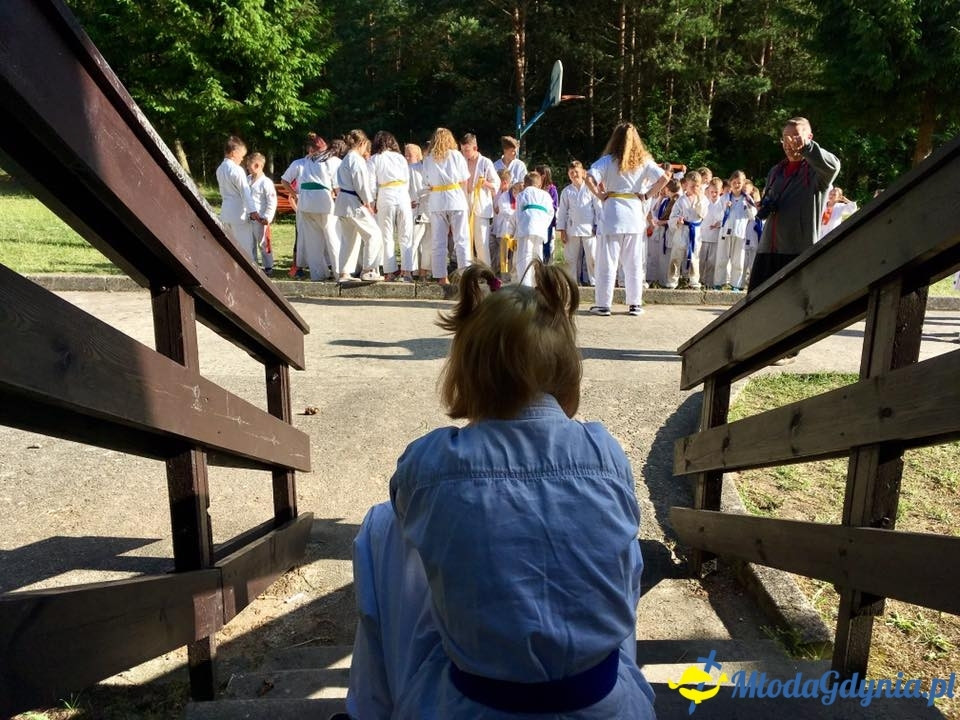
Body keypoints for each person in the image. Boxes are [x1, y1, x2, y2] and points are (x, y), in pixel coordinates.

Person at [345, 262, 657, 720]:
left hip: (469, 705)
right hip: (608, 703)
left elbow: (404, 508)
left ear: (466, 372)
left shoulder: (431, 462)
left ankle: (367, 710)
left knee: (385, 526)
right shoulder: (605, 453)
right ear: (567, 368)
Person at [585, 122, 668, 316]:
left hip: (613, 212)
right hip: (634, 213)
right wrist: (646, 195)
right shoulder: (644, 161)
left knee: (607, 261)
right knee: (633, 262)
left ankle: (604, 304)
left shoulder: (607, 161)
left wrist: (600, 195)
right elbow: (664, 178)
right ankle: (635, 304)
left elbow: (589, 178)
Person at [750, 117, 840, 291]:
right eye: (785, 137)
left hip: (796, 251)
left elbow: (834, 166)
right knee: (757, 307)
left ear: (810, 137)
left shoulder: (817, 173)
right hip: (767, 249)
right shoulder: (776, 171)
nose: (789, 142)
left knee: (792, 309)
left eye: (796, 136)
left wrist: (806, 147)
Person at [285, 133, 340, 281]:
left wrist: (295, 194)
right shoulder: (332, 161)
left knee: (313, 241)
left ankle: (318, 274)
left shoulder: (305, 161)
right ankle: (339, 272)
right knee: (332, 237)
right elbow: (338, 186)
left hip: (306, 202)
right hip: (323, 202)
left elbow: (285, 180)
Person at [335, 129, 383, 282]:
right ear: (362, 143)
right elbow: (361, 184)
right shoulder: (356, 159)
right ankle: (368, 270)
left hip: (344, 201)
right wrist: (368, 202)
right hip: (353, 202)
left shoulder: (346, 159)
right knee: (373, 234)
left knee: (349, 238)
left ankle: (344, 273)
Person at [422, 127, 470, 284]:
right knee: (461, 239)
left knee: (438, 240)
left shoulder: (429, 159)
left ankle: (441, 276)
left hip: (437, 200)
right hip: (455, 197)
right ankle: (465, 275)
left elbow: (426, 181)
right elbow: (464, 179)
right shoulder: (456, 155)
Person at [370, 131, 412, 281]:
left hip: (385, 194)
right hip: (402, 194)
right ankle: (406, 272)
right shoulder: (400, 158)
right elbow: (407, 179)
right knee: (405, 234)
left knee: (386, 235)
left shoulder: (375, 159)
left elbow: (371, 183)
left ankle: (389, 272)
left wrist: (372, 202)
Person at [556, 160, 600, 286]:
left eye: (576, 172)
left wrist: (597, 225)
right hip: (572, 228)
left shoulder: (590, 189)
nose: (574, 174)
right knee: (571, 258)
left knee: (592, 256)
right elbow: (562, 212)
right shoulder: (566, 191)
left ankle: (594, 281)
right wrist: (562, 231)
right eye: (571, 172)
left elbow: (597, 208)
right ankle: (572, 282)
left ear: (582, 172)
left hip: (589, 227)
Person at [215, 136, 261, 255]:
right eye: (241, 155)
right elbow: (245, 192)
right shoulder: (237, 170)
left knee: (229, 248)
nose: (242, 158)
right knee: (244, 248)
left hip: (226, 211)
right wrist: (253, 211)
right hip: (239, 214)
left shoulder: (220, 169)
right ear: (234, 153)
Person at [460, 133, 500, 267]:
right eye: (462, 150)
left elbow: (496, 183)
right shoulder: (461, 161)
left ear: (475, 148)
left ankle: (485, 272)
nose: (464, 153)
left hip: (480, 204)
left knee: (481, 241)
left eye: (467, 150)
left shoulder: (485, 162)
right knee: (465, 240)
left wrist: (485, 183)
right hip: (465, 202)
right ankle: (467, 271)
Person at [713, 170, 756, 290]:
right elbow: (716, 215)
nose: (737, 185)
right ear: (731, 183)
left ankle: (736, 284)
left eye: (739, 183)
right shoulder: (724, 198)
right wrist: (725, 208)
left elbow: (753, 216)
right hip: (725, 232)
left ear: (743, 184)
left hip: (740, 233)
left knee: (738, 260)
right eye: (735, 182)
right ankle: (718, 283)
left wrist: (748, 207)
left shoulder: (747, 199)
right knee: (721, 258)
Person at [511, 171, 555, 286]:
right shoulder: (546, 195)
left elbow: (518, 213)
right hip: (540, 227)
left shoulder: (522, 194)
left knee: (524, 256)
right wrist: (544, 225)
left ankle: (525, 285)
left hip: (526, 225)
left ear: (525, 184)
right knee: (537, 255)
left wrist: (517, 231)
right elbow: (551, 212)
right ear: (539, 184)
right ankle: (538, 284)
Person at [665, 171, 707, 289]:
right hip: (682, 230)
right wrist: (677, 220)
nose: (695, 188)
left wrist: (699, 199)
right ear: (686, 185)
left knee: (694, 257)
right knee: (676, 257)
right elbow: (672, 217)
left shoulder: (703, 199)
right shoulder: (680, 200)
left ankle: (694, 281)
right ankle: (672, 281)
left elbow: (703, 214)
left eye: (697, 186)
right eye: (692, 186)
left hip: (695, 231)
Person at [244, 152, 277, 275]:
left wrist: (267, 217)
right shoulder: (247, 180)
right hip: (248, 218)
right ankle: (253, 266)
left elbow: (272, 201)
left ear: (257, 165)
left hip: (261, 219)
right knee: (249, 243)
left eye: (249, 165)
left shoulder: (266, 182)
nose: (247, 167)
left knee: (264, 243)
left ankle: (268, 267)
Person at [405, 143, 431, 281]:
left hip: (431, 210)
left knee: (428, 244)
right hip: (417, 209)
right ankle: (407, 271)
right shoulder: (411, 168)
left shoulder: (433, 168)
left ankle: (423, 272)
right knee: (413, 241)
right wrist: (407, 201)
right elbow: (405, 188)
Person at [699, 178, 724, 289]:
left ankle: (709, 283)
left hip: (715, 237)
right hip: (703, 235)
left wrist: (719, 223)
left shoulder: (723, 203)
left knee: (712, 262)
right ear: (708, 190)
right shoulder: (704, 201)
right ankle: (699, 281)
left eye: (716, 192)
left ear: (721, 191)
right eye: (712, 191)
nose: (714, 194)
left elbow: (726, 219)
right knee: (701, 260)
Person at [534, 164, 560, 262]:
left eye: (536, 173)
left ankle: (545, 265)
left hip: (547, 222)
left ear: (543, 175)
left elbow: (554, 206)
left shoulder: (552, 189)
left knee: (546, 244)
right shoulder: (535, 188)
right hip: (536, 221)